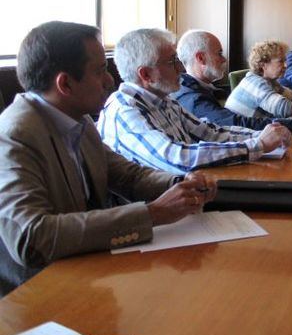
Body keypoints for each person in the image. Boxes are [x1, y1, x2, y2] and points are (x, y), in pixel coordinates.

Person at [0, 21, 217, 295]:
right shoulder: (13, 135)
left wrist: (180, 183)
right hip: (38, 293)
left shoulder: (78, 120)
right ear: (65, 83)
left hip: (91, 271)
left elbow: (126, 175)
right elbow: (32, 236)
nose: (110, 80)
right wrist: (152, 214)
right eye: (101, 70)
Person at [98, 28, 292, 174]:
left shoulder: (164, 100)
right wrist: (257, 145)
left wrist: (264, 134)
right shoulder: (124, 110)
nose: (181, 70)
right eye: (172, 62)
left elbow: (211, 132)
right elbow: (177, 157)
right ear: (146, 74)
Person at [170, 30, 292, 134]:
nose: (224, 59)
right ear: (201, 58)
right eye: (219, 53)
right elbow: (235, 124)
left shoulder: (207, 89)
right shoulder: (193, 98)